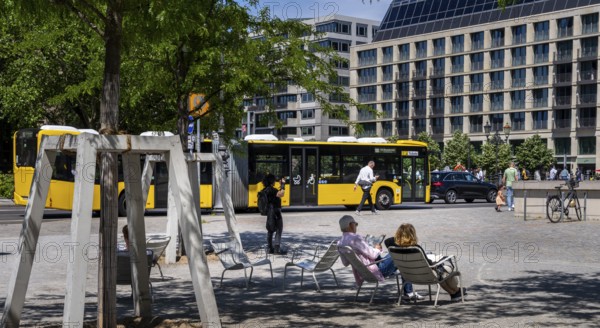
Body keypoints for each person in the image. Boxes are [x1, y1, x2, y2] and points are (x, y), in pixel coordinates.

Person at [337, 216, 421, 300]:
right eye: (356, 224)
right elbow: (373, 255)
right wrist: (376, 249)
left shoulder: (340, 242)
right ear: (350, 225)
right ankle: (409, 292)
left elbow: (345, 263)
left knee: (400, 257)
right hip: (376, 271)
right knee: (401, 255)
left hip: (362, 272)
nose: (356, 226)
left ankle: (408, 291)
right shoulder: (356, 238)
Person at [388, 223, 466, 301]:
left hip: (409, 276)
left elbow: (388, 240)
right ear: (412, 235)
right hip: (427, 276)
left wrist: (400, 238)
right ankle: (456, 291)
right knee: (443, 270)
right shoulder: (416, 248)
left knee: (441, 272)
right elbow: (429, 264)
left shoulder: (392, 246)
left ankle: (455, 293)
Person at [262, 174, 286, 254]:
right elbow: (281, 194)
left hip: (269, 212)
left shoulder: (264, 190)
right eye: (274, 180)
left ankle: (269, 248)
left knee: (270, 229)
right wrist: (282, 185)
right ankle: (277, 249)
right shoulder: (272, 190)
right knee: (279, 229)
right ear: (271, 181)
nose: (275, 181)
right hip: (276, 212)